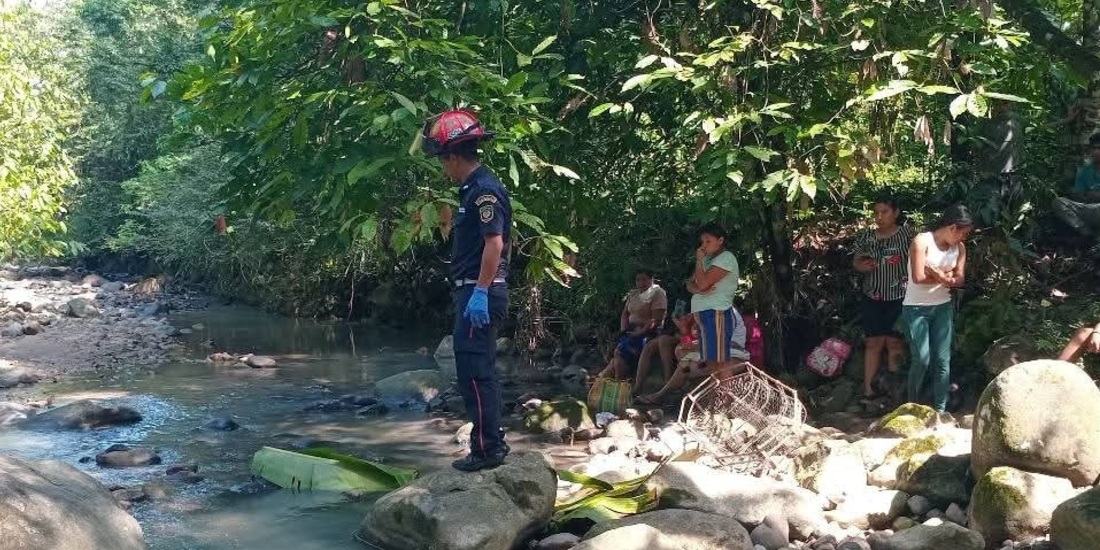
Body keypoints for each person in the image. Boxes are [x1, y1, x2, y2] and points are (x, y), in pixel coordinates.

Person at [423, 109, 512, 472]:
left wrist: (480, 290)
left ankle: (488, 450)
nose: (444, 169)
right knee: (476, 370)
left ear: (454, 157)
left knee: (476, 373)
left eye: (443, 161)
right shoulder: (472, 191)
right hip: (474, 291)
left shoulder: (483, 192)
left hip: (481, 292)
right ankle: (488, 443)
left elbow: (494, 244)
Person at [639, 222, 740, 404]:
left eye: (708, 241)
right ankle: (717, 398)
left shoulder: (726, 259)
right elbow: (690, 283)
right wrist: (700, 288)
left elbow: (699, 283)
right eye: (702, 242)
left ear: (721, 240)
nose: (703, 246)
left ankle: (727, 401)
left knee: (720, 360)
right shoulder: (708, 260)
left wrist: (699, 268)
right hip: (703, 313)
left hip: (716, 312)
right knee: (710, 360)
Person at [902, 204, 972, 414]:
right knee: (922, 359)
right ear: (952, 227)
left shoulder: (959, 248)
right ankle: (911, 407)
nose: (964, 239)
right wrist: (945, 276)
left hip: (942, 306)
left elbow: (959, 279)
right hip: (916, 308)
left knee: (943, 360)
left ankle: (940, 410)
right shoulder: (922, 241)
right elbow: (918, 277)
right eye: (963, 233)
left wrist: (938, 274)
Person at [851, 194, 917, 399]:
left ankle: (893, 392)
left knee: (895, 343)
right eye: (876, 213)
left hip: (900, 296)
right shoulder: (866, 237)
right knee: (873, 343)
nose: (879, 217)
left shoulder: (908, 235)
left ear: (896, 213)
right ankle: (869, 391)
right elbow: (856, 262)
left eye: (885, 212)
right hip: (872, 296)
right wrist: (861, 266)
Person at [598, 268, 667, 380]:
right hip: (630, 330)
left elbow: (656, 320)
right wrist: (623, 330)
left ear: (651, 279)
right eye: (638, 280)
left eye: (644, 280)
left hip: (648, 332)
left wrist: (640, 332)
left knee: (619, 351)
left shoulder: (658, 293)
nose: (640, 283)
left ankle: (618, 380)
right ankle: (602, 380)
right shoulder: (633, 294)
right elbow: (625, 314)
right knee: (613, 360)